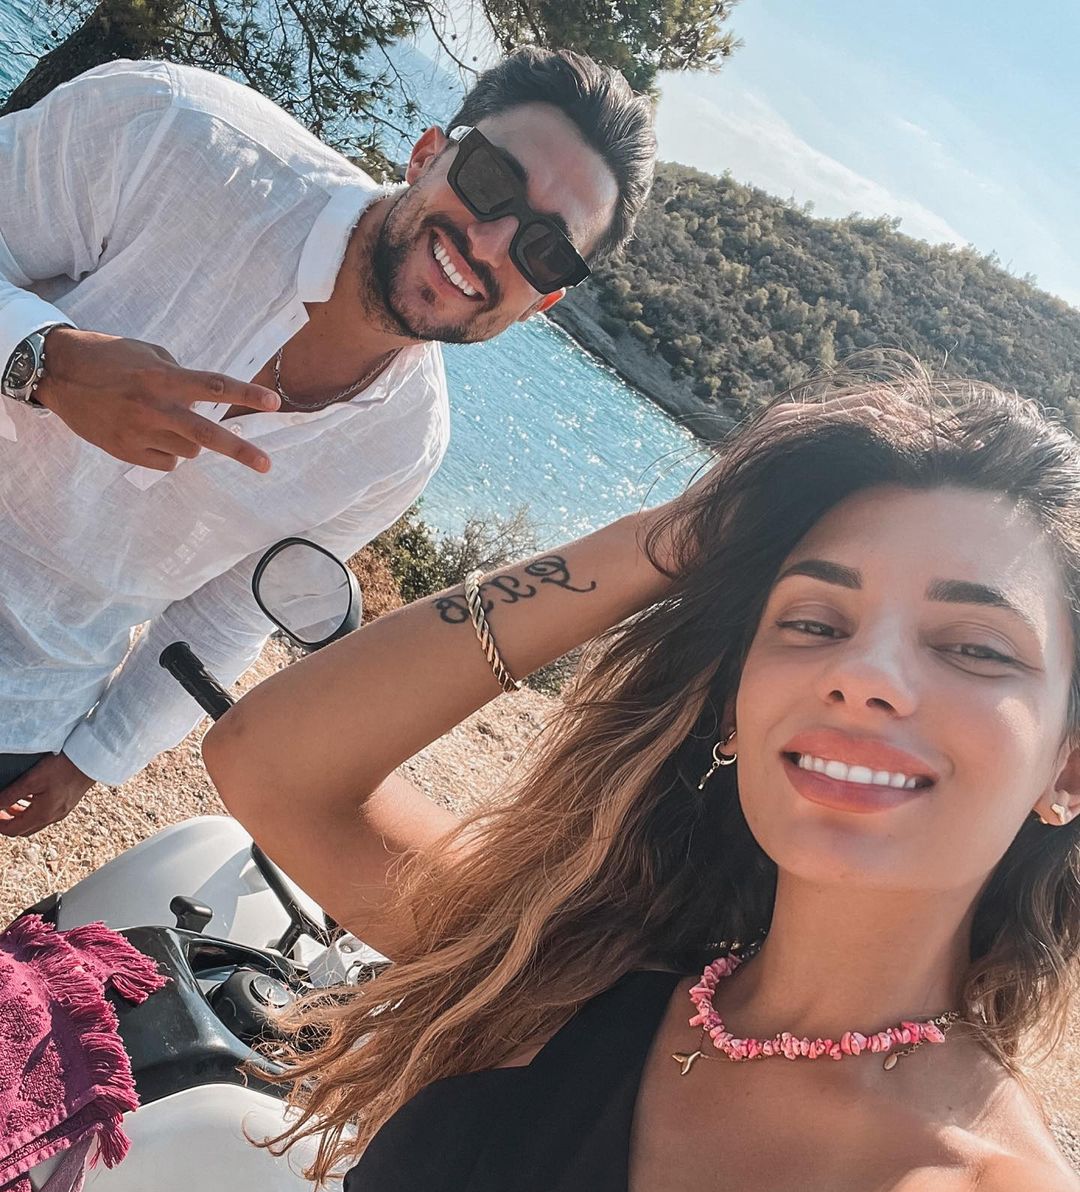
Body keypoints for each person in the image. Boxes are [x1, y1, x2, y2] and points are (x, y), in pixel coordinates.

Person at [197, 357, 1080, 1192]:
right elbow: (271, 763)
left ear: (1069, 767)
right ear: (736, 712)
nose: (863, 674)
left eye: (974, 647)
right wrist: (663, 541)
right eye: (812, 622)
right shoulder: (584, 968)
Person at [0, 46, 655, 834]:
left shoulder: (403, 446)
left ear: (543, 301)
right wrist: (43, 361)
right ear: (427, 155)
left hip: (26, 701)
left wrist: (97, 756)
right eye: (490, 179)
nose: (489, 243)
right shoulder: (175, 133)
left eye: (543, 247)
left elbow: (227, 612)